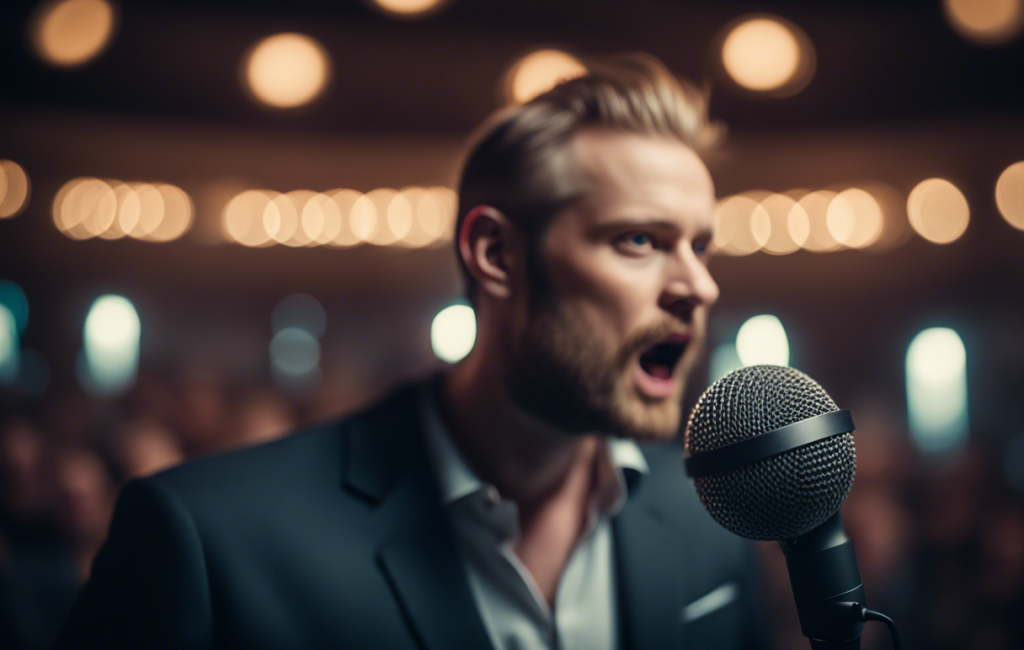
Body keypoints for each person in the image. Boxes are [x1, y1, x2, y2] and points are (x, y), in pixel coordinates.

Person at [54, 53, 762, 649]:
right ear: (497, 255)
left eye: (700, 246)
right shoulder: (211, 541)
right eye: (641, 240)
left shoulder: (713, 521)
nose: (698, 285)